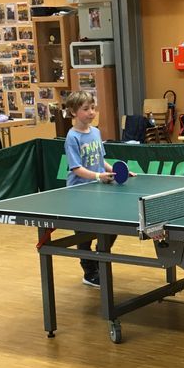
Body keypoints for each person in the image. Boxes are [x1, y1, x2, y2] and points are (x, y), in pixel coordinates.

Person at [64, 90, 115, 288]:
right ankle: (89, 272)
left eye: (93, 108)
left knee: (113, 226)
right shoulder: (72, 137)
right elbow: (76, 168)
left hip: (98, 190)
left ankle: (99, 257)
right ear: (73, 112)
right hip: (79, 192)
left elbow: (101, 160)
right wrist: (97, 176)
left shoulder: (96, 132)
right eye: (86, 109)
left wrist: (116, 171)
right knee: (84, 235)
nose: (91, 112)